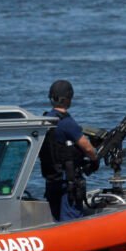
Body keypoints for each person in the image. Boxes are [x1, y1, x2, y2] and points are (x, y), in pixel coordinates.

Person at [40, 79, 99, 222]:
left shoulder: (45, 120)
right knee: (71, 220)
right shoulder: (67, 123)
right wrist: (95, 159)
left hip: (51, 179)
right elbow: (88, 148)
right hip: (68, 183)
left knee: (55, 219)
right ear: (67, 99)